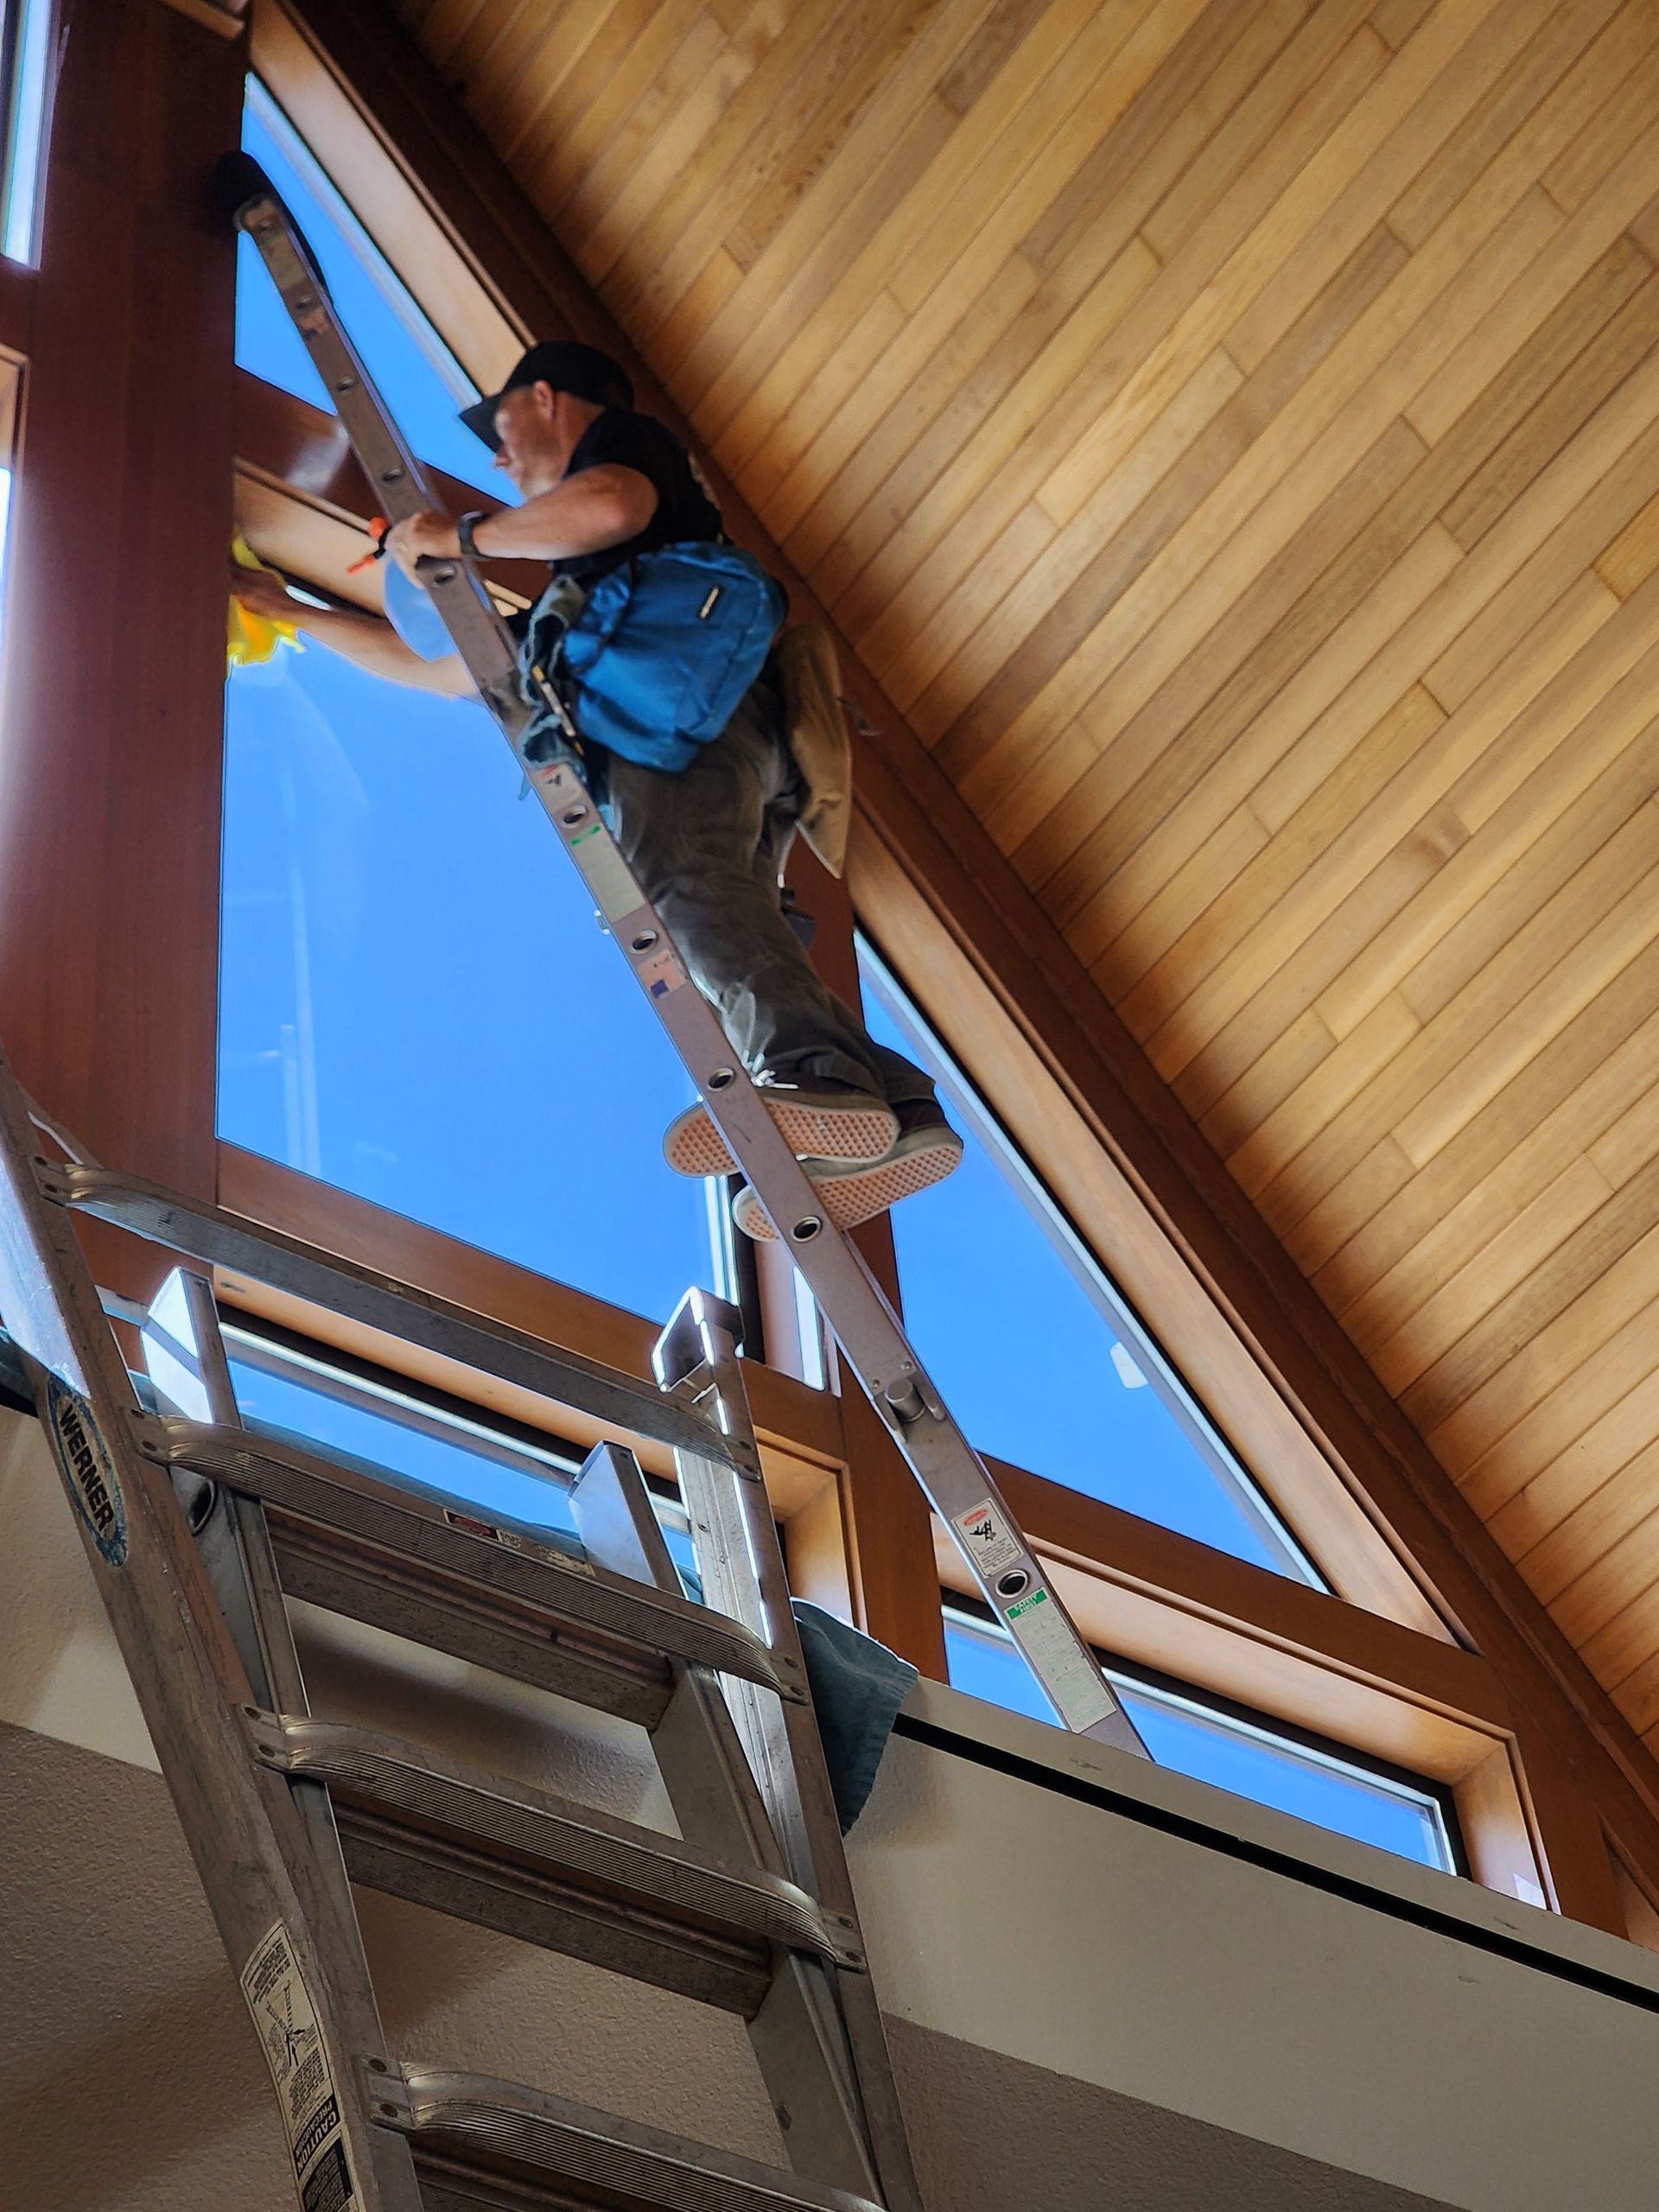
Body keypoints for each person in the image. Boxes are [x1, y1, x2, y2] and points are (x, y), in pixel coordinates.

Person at [231, 340, 962, 1240]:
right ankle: (896, 1106)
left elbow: (612, 503)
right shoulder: (582, 605)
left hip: (685, 718)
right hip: (721, 725)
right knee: (728, 914)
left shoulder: (624, 455)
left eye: (500, 430)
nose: (498, 461)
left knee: (683, 890)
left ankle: (818, 1080)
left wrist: (459, 535)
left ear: (544, 398)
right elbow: (450, 671)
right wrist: (294, 611)